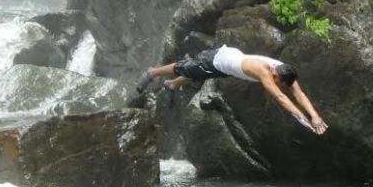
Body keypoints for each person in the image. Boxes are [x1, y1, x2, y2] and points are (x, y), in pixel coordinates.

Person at [136, 45, 328, 135]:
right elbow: (280, 97)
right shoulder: (264, 71)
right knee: (186, 67)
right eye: (278, 82)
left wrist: (315, 116)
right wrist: (302, 119)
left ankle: (173, 85)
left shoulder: (285, 71)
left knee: (200, 74)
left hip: (230, 65)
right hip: (217, 60)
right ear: (275, 75)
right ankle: (153, 72)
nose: (279, 85)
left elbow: (299, 94)